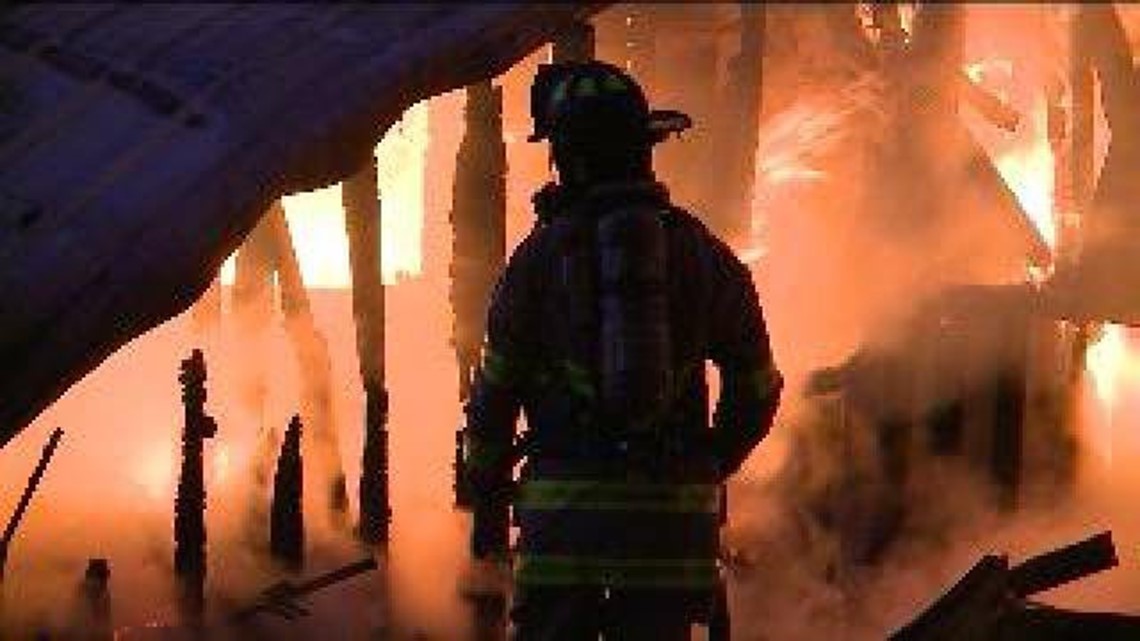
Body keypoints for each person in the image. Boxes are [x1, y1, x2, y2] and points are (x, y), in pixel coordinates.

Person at [463, 60, 782, 641]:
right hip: (672, 540)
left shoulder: (537, 261)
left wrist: (483, 478)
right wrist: (708, 461)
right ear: (644, 147)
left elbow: (494, 394)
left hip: (565, 538)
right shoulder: (704, 255)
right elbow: (757, 386)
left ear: (565, 154)